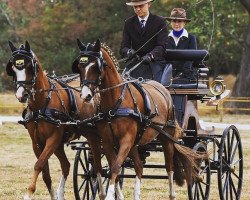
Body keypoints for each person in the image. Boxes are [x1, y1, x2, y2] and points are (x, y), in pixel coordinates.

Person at [120, 0, 168, 82]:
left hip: (154, 62)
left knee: (156, 85)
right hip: (136, 63)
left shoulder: (160, 22)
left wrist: (151, 56)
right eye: (135, 7)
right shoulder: (128, 23)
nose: (138, 9)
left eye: (141, 6)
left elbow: (161, 46)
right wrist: (129, 52)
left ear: (149, 4)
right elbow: (123, 47)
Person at [164, 7, 197, 83]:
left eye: (179, 21)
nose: (176, 24)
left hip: (186, 77)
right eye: (174, 21)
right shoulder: (165, 39)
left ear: (184, 22)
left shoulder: (191, 38)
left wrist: (182, 74)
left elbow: (191, 59)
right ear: (171, 22)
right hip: (167, 76)